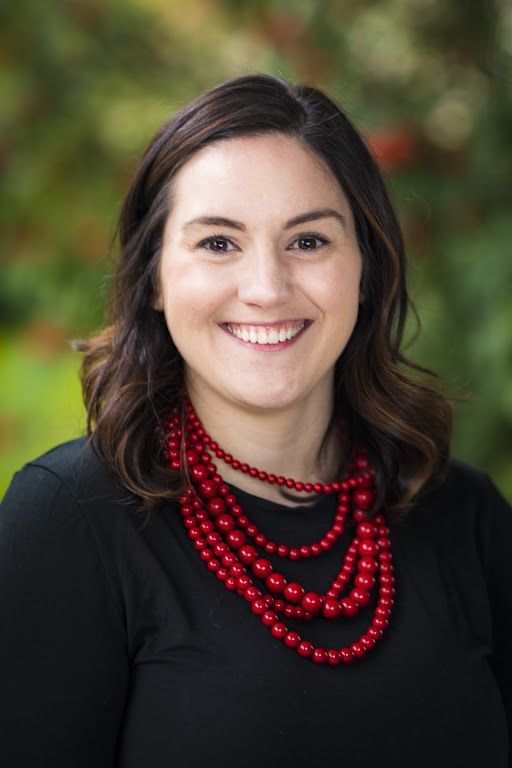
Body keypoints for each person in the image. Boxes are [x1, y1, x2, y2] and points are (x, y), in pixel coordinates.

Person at [0, 74, 510, 768]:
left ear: (365, 266)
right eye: (218, 243)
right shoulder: (67, 520)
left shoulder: (464, 514)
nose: (266, 289)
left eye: (308, 242)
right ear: (154, 278)